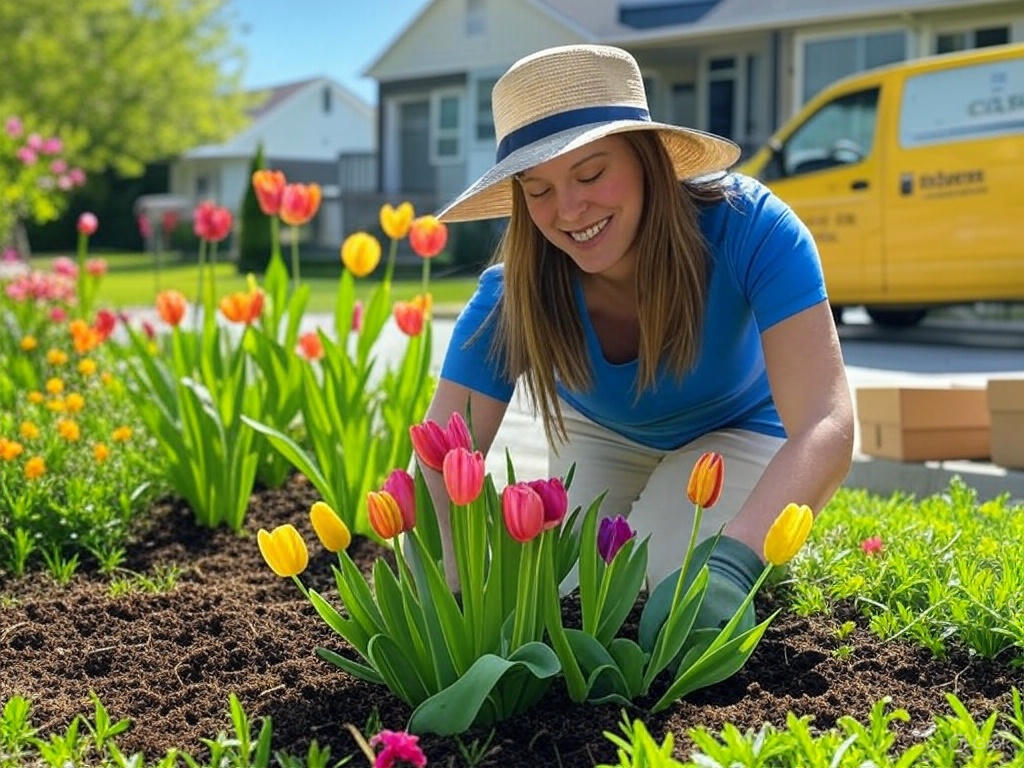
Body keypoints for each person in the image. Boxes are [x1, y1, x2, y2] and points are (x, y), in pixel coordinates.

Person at [419, 44, 854, 633]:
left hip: (741, 430)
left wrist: (735, 561)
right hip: (600, 436)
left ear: (648, 159)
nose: (569, 209)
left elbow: (827, 422)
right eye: (537, 188)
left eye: (591, 173)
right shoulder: (513, 294)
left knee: (664, 581)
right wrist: (445, 583)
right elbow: (440, 456)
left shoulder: (752, 229)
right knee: (573, 599)